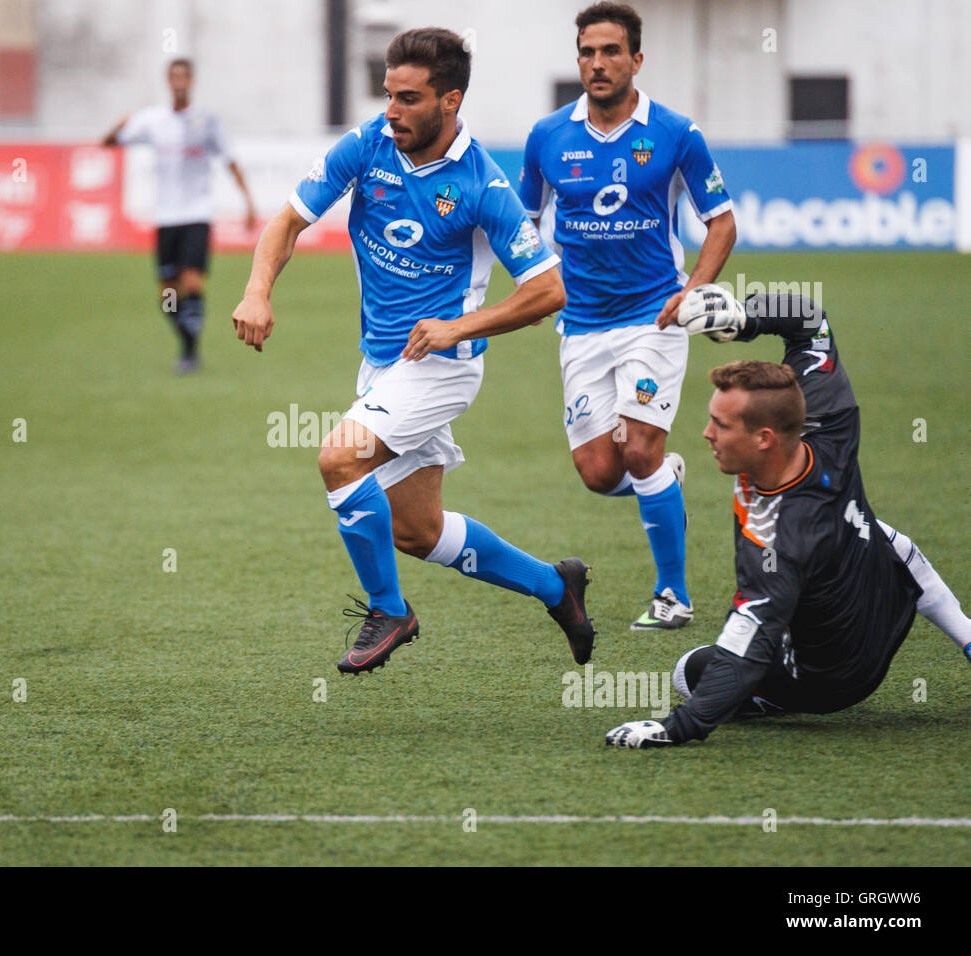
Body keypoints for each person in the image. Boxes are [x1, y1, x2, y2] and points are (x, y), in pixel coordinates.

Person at [231, 28, 596, 674]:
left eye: (408, 98)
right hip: (381, 362)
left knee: (339, 458)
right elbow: (287, 221)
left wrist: (460, 327)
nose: (391, 111)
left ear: (450, 100)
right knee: (418, 532)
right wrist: (258, 291)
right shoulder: (368, 145)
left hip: (441, 367)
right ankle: (555, 586)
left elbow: (548, 290)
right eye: (388, 94)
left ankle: (389, 610)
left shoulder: (483, 184)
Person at [605, 291, 971, 748]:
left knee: (690, 670)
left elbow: (747, 648)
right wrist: (744, 317)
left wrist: (680, 725)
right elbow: (810, 321)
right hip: (883, 593)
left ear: (762, 439)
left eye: (721, 424)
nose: (706, 433)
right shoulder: (825, 419)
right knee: (875, 532)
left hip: (833, 679)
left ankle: (773, 702)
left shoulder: (776, 536)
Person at [518, 2, 737, 629]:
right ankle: (663, 481)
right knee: (598, 472)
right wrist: (533, 289)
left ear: (636, 59)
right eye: (587, 52)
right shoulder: (547, 137)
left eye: (611, 51)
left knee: (639, 450)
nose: (598, 63)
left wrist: (694, 290)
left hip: (653, 318)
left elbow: (721, 221)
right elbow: (526, 226)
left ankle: (673, 595)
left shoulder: (675, 133)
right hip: (581, 324)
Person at [103, 58, 256, 373]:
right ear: (167, 82)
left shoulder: (206, 121)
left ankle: (190, 352)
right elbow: (108, 144)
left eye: (184, 77)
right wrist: (116, 129)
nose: (179, 83)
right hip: (166, 218)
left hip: (197, 214)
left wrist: (248, 202)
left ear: (192, 81)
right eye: (174, 77)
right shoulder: (153, 120)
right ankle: (187, 342)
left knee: (192, 281)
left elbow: (230, 160)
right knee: (168, 296)